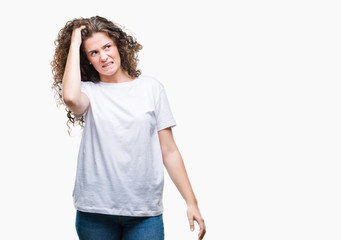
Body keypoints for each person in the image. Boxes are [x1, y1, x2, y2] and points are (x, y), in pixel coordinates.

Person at [51, 16, 206, 240]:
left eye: (107, 47)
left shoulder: (151, 88)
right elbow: (70, 97)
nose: (103, 56)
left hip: (144, 212)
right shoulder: (88, 91)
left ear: (119, 46)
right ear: (87, 60)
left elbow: (169, 151)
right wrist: (74, 43)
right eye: (93, 53)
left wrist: (191, 202)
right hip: (95, 211)